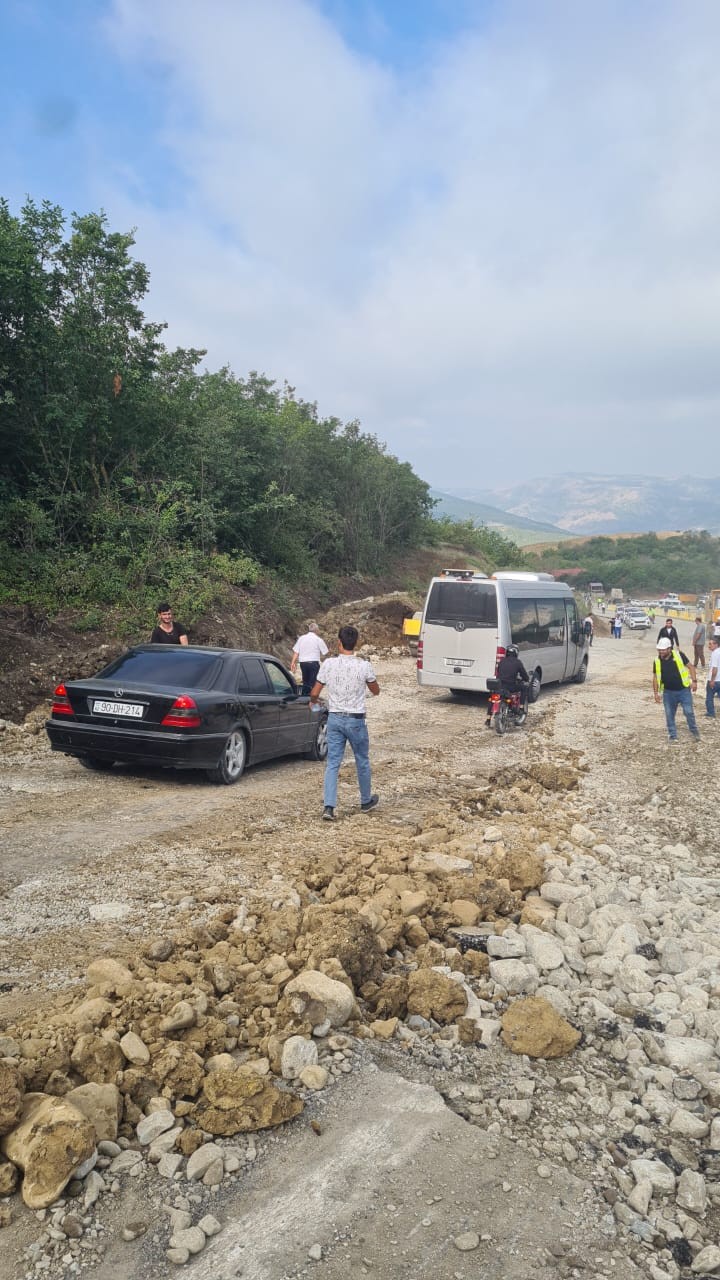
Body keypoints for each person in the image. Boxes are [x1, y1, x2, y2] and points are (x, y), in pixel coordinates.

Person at [309, 625, 380, 821]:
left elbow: (315, 692)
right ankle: (366, 801)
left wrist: (314, 702)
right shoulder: (363, 665)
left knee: (333, 763)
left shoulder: (329, 664)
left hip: (335, 719)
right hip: (356, 720)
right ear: (356, 643)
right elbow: (376, 690)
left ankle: (329, 807)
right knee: (362, 760)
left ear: (339, 643)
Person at [653, 637, 699, 743]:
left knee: (689, 712)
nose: (661, 652)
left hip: (684, 691)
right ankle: (673, 736)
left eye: (663, 650)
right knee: (669, 715)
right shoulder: (657, 661)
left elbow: (691, 667)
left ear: (669, 649)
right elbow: (655, 677)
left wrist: (694, 681)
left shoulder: (679, 655)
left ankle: (694, 731)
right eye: (659, 650)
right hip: (668, 693)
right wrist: (656, 693)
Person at [486, 645, 529, 726]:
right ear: (516, 653)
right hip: (510, 686)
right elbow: (524, 675)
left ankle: (488, 719)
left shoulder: (502, 661)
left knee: (492, 697)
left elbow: (499, 672)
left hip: (499, 686)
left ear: (507, 653)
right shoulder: (518, 662)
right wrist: (526, 679)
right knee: (524, 688)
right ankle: (521, 707)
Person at [290, 621, 329, 696]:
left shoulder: (301, 638)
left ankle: (304, 697)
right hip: (313, 663)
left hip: (303, 663)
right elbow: (325, 653)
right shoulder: (318, 639)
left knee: (305, 681)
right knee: (313, 683)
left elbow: (296, 651)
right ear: (317, 630)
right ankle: (311, 699)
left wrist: (293, 662)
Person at [706, 638, 720, 719]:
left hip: (715, 680)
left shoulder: (715, 653)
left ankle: (711, 713)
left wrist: (712, 680)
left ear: (716, 644)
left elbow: (714, 668)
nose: (709, 646)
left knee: (709, 697)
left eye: (711, 644)